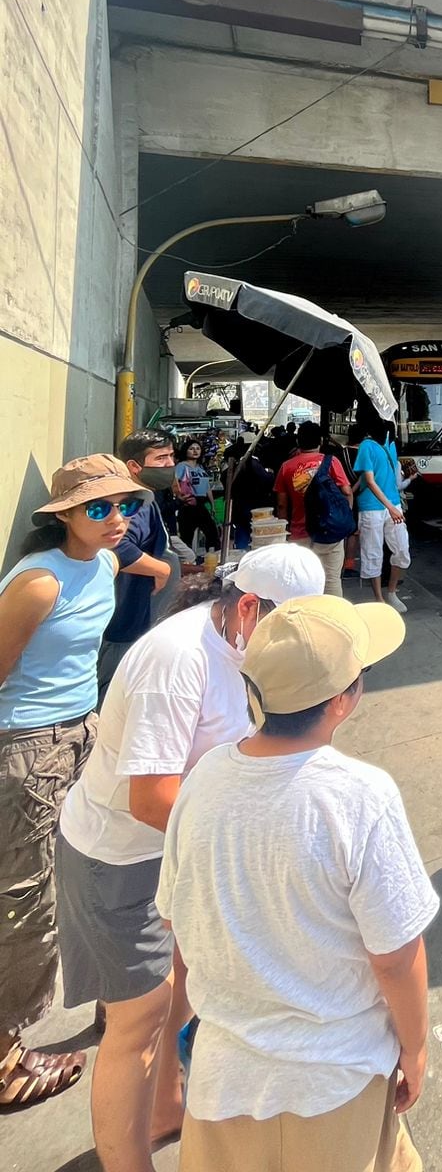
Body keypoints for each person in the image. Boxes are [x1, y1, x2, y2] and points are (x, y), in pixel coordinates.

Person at [55, 544, 325, 1172]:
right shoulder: (176, 661)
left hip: (172, 853)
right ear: (250, 606)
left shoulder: (239, 645)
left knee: (182, 983)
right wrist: (248, 842)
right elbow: (150, 797)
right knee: (136, 1024)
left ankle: (163, 1109)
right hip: (119, 858)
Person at [157, 595, 438, 1172]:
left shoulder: (204, 777)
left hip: (224, 1081)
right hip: (337, 1080)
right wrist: (415, 1047)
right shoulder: (361, 797)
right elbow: (395, 956)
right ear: (342, 701)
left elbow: (175, 918)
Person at [0, 455, 148, 1109]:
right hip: (27, 750)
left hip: (84, 735)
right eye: (99, 508)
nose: (117, 519)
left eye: (125, 505)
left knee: (93, 871)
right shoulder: (37, 583)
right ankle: (5, 1056)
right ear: (65, 517)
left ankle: (109, 998)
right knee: (26, 902)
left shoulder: (108, 564)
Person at [98, 431, 177, 701]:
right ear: (134, 466)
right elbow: (117, 546)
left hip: (137, 616)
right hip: (127, 619)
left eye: (171, 457)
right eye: (161, 458)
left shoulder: (145, 497)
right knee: (115, 691)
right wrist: (161, 569)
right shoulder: (135, 503)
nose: (169, 465)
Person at [275, 422, 354, 596]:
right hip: (329, 531)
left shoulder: (286, 467)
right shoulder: (331, 462)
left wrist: (285, 529)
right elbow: (347, 491)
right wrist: (344, 515)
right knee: (331, 580)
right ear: (319, 441)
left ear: (298, 441)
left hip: (299, 534)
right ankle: (333, 619)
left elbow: (282, 505)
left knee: (303, 582)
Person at [353, 418, 410, 613]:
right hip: (372, 506)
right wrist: (391, 507)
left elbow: (386, 476)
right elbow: (368, 480)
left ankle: (391, 592)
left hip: (392, 503)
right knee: (372, 553)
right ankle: (379, 599)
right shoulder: (366, 446)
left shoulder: (390, 443)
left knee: (402, 550)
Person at [223, 438, 276, 551]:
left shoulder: (232, 467)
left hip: (240, 508)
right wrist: (271, 474)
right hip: (257, 508)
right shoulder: (254, 464)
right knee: (258, 539)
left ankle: (242, 557)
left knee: (242, 536)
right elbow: (268, 481)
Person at [173, 440, 219, 561]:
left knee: (212, 532)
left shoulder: (201, 467)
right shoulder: (182, 466)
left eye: (197, 448)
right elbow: (174, 482)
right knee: (187, 536)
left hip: (201, 504)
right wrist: (179, 496)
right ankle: (187, 562)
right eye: (191, 448)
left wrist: (212, 505)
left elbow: (207, 487)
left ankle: (211, 559)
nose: (195, 451)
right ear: (186, 450)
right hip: (188, 504)